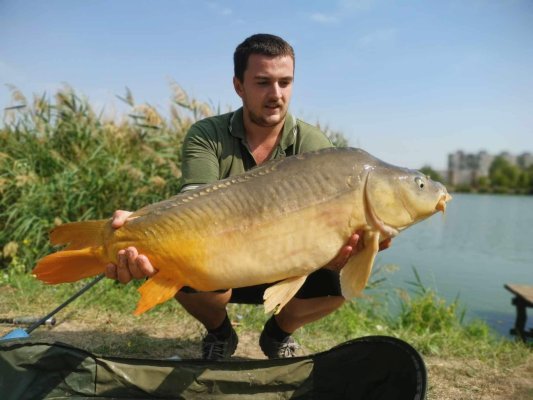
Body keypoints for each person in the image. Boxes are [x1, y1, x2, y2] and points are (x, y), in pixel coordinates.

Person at [105, 33, 390, 360]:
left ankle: (278, 334)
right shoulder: (207, 134)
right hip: (220, 259)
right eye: (262, 82)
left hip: (289, 257)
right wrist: (144, 223)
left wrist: (346, 251)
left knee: (350, 270)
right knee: (172, 259)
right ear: (239, 86)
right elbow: (192, 200)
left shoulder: (315, 147)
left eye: (285, 82)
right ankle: (220, 333)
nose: (276, 94)